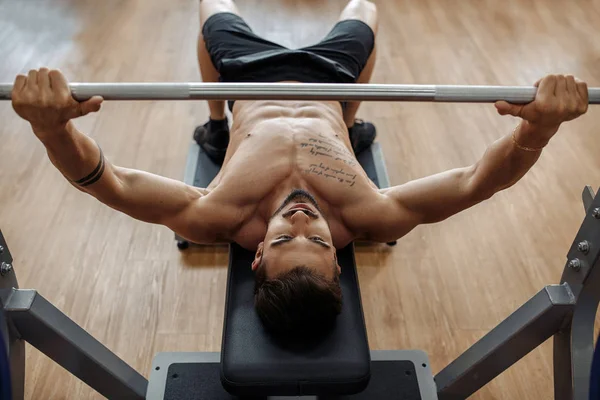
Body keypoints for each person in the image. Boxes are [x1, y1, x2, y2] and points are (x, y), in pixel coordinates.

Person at [10, 0, 588, 336]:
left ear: (256, 253)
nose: (304, 218)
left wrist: (51, 129)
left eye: (286, 235)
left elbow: (106, 183)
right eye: (319, 240)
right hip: (328, 84)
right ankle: (341, 116)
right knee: (366, 6)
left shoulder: (219, 214)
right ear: (339, 262)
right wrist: (537, 130)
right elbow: (475, 183)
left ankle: (218, 120)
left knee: (213, 4)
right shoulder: (370, 213)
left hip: (248, 79)